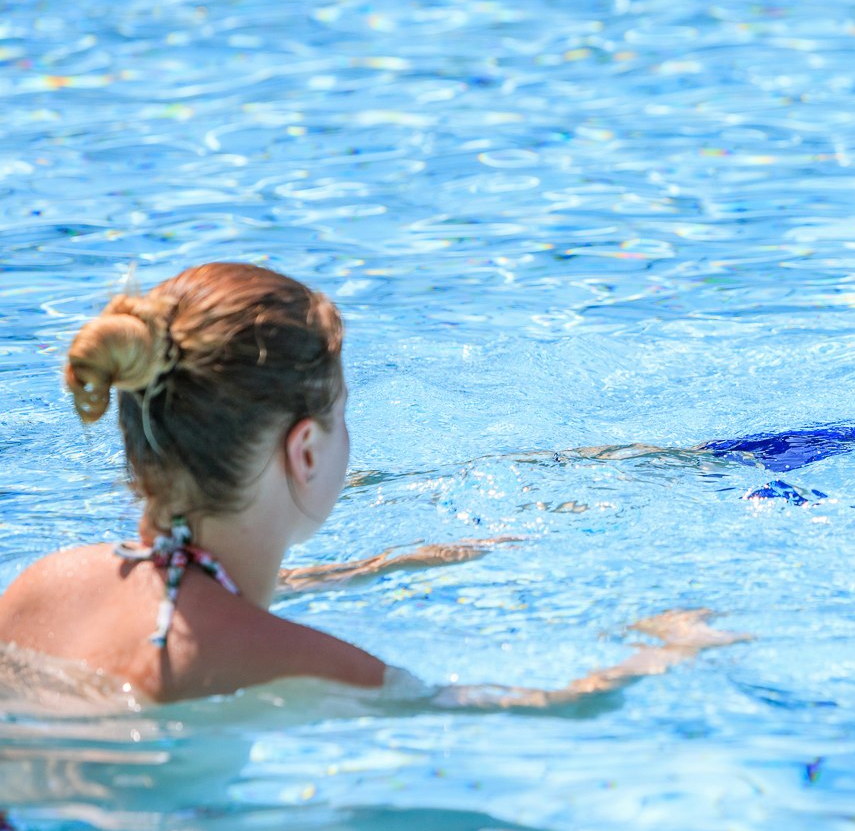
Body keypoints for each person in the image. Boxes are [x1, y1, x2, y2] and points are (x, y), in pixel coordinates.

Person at [0, 262, 739, 707]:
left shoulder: (42, 584)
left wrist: (360, 572)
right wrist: (669, 651)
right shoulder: (312, 666)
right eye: (343, 416)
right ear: (307, 453)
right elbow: (527, 712)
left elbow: (180, 603)